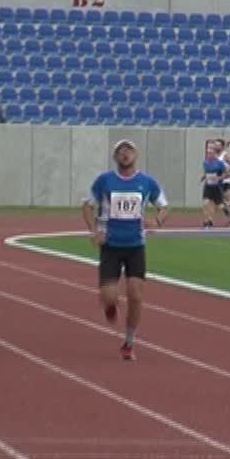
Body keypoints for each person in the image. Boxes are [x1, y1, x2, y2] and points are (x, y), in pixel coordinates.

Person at [82, 139, 169, 361]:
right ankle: (110, 305)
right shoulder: (105, 181)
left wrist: (157, 221)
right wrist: (94, 232)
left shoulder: (147, 182)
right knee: (109, 296)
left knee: (136, 295)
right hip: (111, 245)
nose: (125, 154)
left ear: (136, 155)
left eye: (129, 150)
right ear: (115, 157)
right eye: (121, 151)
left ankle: (129, 342)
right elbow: (87, 206)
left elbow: (164, 206)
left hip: (135, 246)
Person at [200, 141, 227, 228]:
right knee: (206, 203)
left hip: (217, 187)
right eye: (208, 153)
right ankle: (207, 221)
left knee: (220, 207)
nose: (209, 154)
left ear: (215, 153)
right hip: (208, 186)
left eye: (211, 153)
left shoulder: (220, 163)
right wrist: (203, 177)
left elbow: (227, 174)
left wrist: (219, 178)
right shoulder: (205, 162)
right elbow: (206, 172)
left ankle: (227, 210)